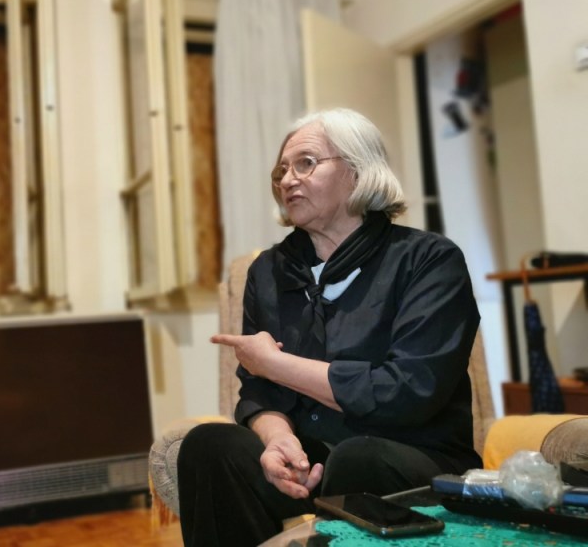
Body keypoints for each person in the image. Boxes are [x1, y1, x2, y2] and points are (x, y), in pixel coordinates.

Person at [177, 108, 481, 546]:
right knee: (210, 445)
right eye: (282, 170)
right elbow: (259, 392)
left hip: (412, 457)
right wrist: (278, 440)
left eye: (306, 163)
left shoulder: (428, 259)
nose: (287, 180)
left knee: (360, 458)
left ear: (357, 171)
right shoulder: (268, 271)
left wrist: (275, 364)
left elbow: (408, 391)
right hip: (310, 460)